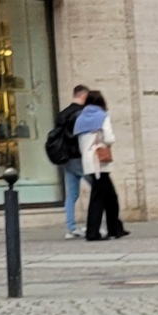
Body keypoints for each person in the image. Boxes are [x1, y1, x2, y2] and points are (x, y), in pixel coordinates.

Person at [77, 89, 127, 240]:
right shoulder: (102, 116)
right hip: (99, 161)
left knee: (109, 196)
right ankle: (94, 232)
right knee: (99, 198)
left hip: (88, 160)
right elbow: (110, 138)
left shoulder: (80, 119)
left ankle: (115, 228)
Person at [47, 84, 90, 237]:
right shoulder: (80, 114)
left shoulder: (62, 114)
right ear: (83, 96)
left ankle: (71, 228)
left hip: (65, 158)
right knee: (99, 187)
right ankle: (93, 224)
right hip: (78, 156)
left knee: (72, 194)